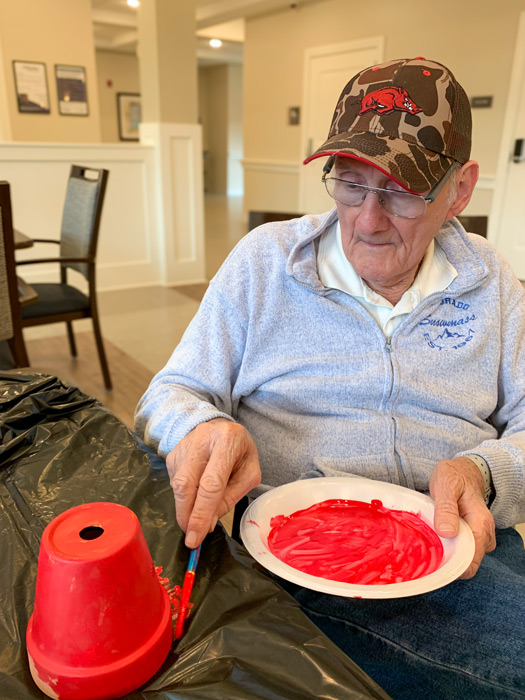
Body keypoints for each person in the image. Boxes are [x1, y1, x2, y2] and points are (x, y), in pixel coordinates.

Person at [135, 58, 525, 699]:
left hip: (461, 556)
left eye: (401, 191)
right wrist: (202, 426)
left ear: (460, 191)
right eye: (349, 183)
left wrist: (483, 471)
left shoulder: (492, 282)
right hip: (301, 556)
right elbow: (171, 391)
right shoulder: (265, 262)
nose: (367, 221)